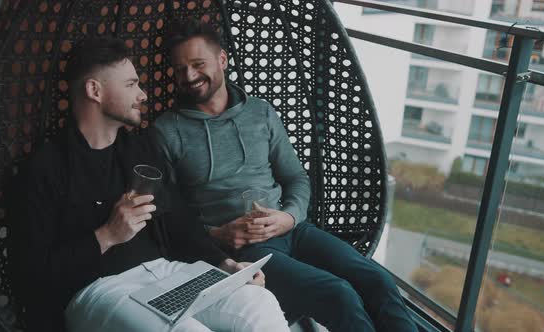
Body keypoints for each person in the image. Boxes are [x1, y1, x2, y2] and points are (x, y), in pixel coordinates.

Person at [153, 19, 419, 332]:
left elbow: (296, 179)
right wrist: (216, 234)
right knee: (339, 294)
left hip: (294, 229)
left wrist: (289, 217)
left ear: (222, 60)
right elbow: (166, 215)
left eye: (198, 64)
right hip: (246, 249)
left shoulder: (260, 112)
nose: (189, 76)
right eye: (180, 69)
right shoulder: (166, 131)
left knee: (378, 280)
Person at [9, 37, 289, 332]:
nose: (142, 95)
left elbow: (178, 220)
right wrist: (106, 235)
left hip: (165, 273)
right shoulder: (45, 169)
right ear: (95, 91)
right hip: (97, 291)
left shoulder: (140, 151)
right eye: (131, 85)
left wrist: (225, 265)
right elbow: (32, 273)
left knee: (258, 302)